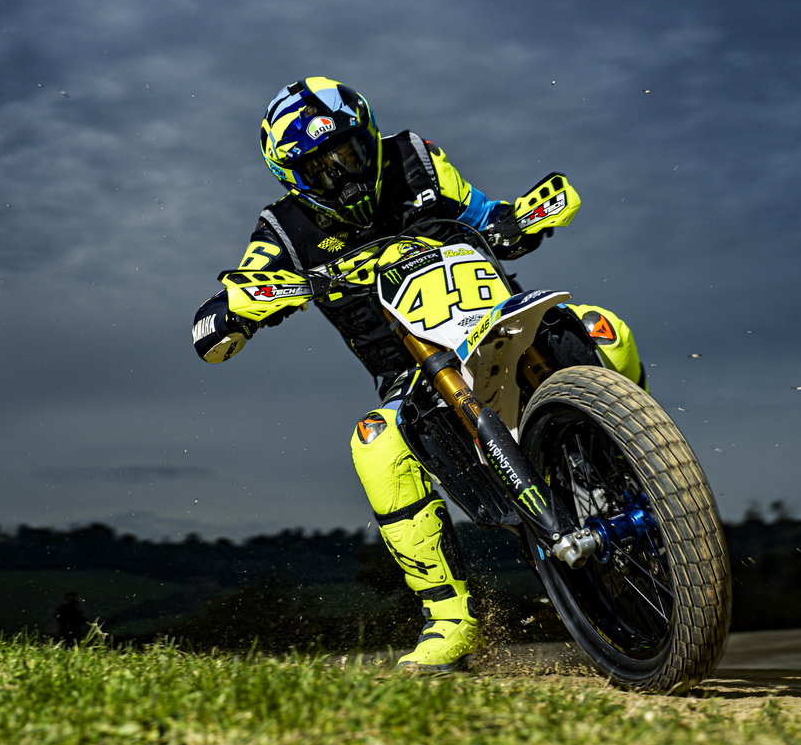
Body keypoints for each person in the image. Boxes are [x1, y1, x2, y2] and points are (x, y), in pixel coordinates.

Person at [191, 77, 643, 673]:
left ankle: (636, 471)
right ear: (294, 177)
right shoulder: (282, 231)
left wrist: (515, 221)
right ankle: (451, 620)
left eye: (350, 153)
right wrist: (233, 315)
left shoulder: (416, 160)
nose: (344, 173)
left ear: (370, 136)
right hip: (412, 376)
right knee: (373, 444)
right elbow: (223, 314)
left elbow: (485, 213)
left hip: (499, 321)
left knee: (606, 328)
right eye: (322, 167)